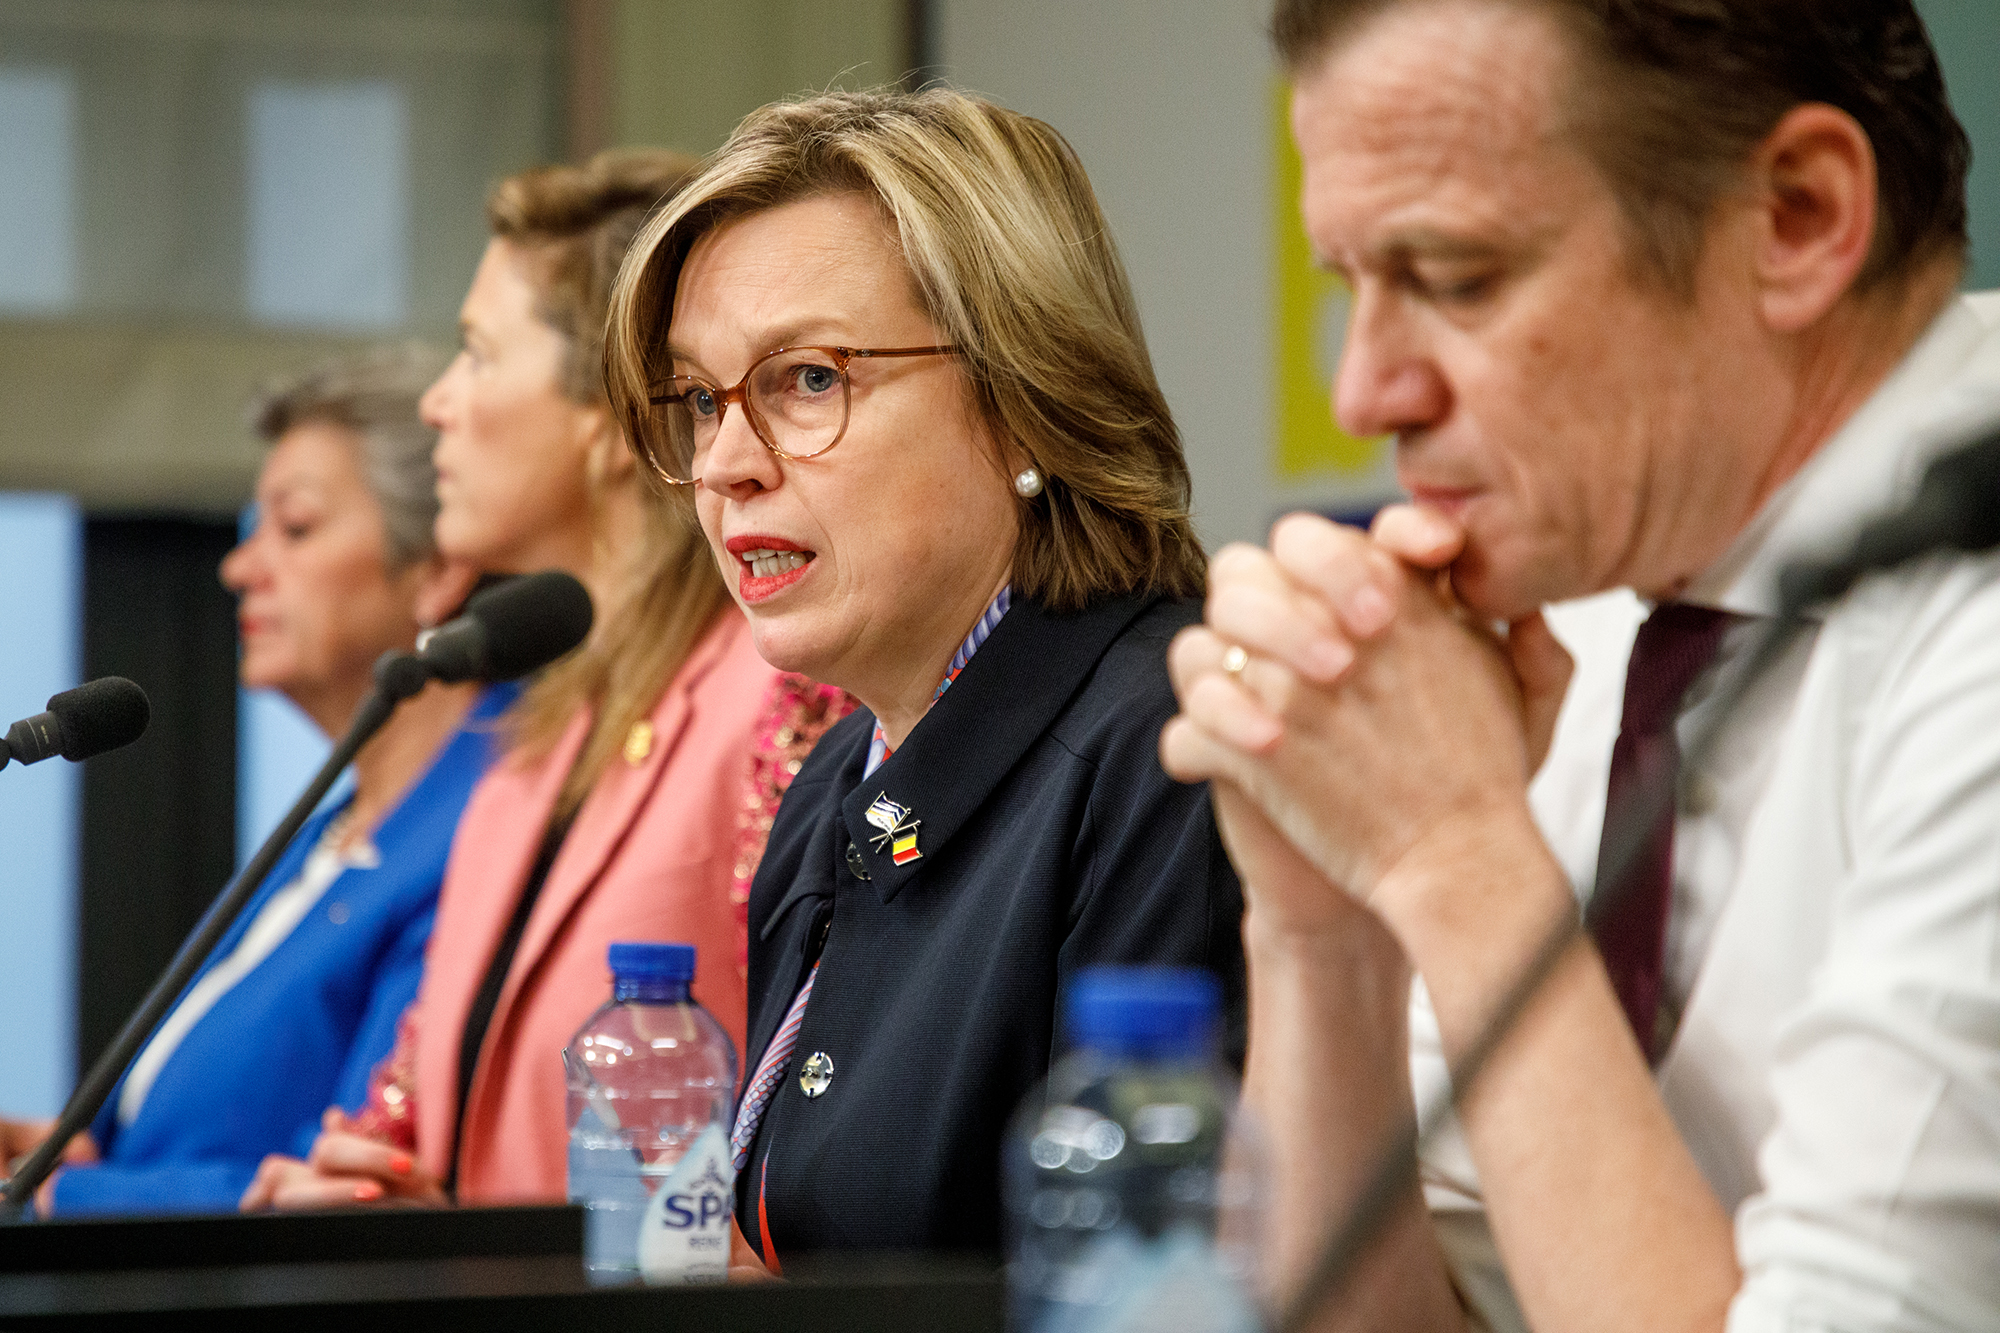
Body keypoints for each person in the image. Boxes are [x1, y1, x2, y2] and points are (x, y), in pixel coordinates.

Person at [1161, 1, 2000, 1330]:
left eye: (1455, 276)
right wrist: (1328, 935)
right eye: (1350, 284)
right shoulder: (1598, 581)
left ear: (1795, 215)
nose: (1364, 395)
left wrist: (1458, 858)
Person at [601, 88, 1247, 1268]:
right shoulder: (832, 788)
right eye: (700, 400)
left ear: (1022, 400)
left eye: (804, 379)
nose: (727, 465)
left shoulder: (1174, 747)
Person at [240, 152, 844, 1211]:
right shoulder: (529, 738)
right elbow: (412, 1103)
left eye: (476, 355)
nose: (437, 403)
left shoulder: (785, 700)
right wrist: (356, 1191)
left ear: (607, 417)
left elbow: (810, 1147)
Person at [0, 348, 508, 1217]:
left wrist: (64, 1197)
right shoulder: (335, 824)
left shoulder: (485, 820)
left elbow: (354, 1187)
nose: (241, 567)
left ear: (438, 565)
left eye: (297, 526)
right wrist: (74, 1147)